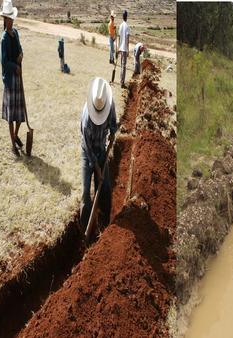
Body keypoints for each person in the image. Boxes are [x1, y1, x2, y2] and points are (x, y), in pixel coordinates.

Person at [80, 77, 117, 231]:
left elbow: (114, 124)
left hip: (102, 149)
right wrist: (96, 168)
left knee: (105, 188)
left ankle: (104, 225)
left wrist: (112, 134)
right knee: (86, 194)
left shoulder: (109, 106)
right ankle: (84, 231)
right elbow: (87, 148)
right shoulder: (87, 120)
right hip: (87, 153)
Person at [0, 0, 24, 157]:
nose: (11, 21)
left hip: (18, 77)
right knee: (11, 115)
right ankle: (12, 143)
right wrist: (15, 67)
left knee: (19, 114)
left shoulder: (15, 33)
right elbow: (3, 60)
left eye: (12, 19)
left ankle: (15, 135)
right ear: (4, 20)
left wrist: (22, 54)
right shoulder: (4, 39)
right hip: (10, 79)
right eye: (8, 19)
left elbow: (20, 49)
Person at [117, 10, 130, 88]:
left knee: (122, 65)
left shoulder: (121, 25)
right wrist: (128, 49)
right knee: (123, 66)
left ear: (122, 17)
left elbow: (119, 37)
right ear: (126, 17)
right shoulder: (127, 26)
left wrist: (118, 47)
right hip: (124, 49)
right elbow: (127, 39)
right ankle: (122, 82)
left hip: (121, 48)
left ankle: (121, 80)